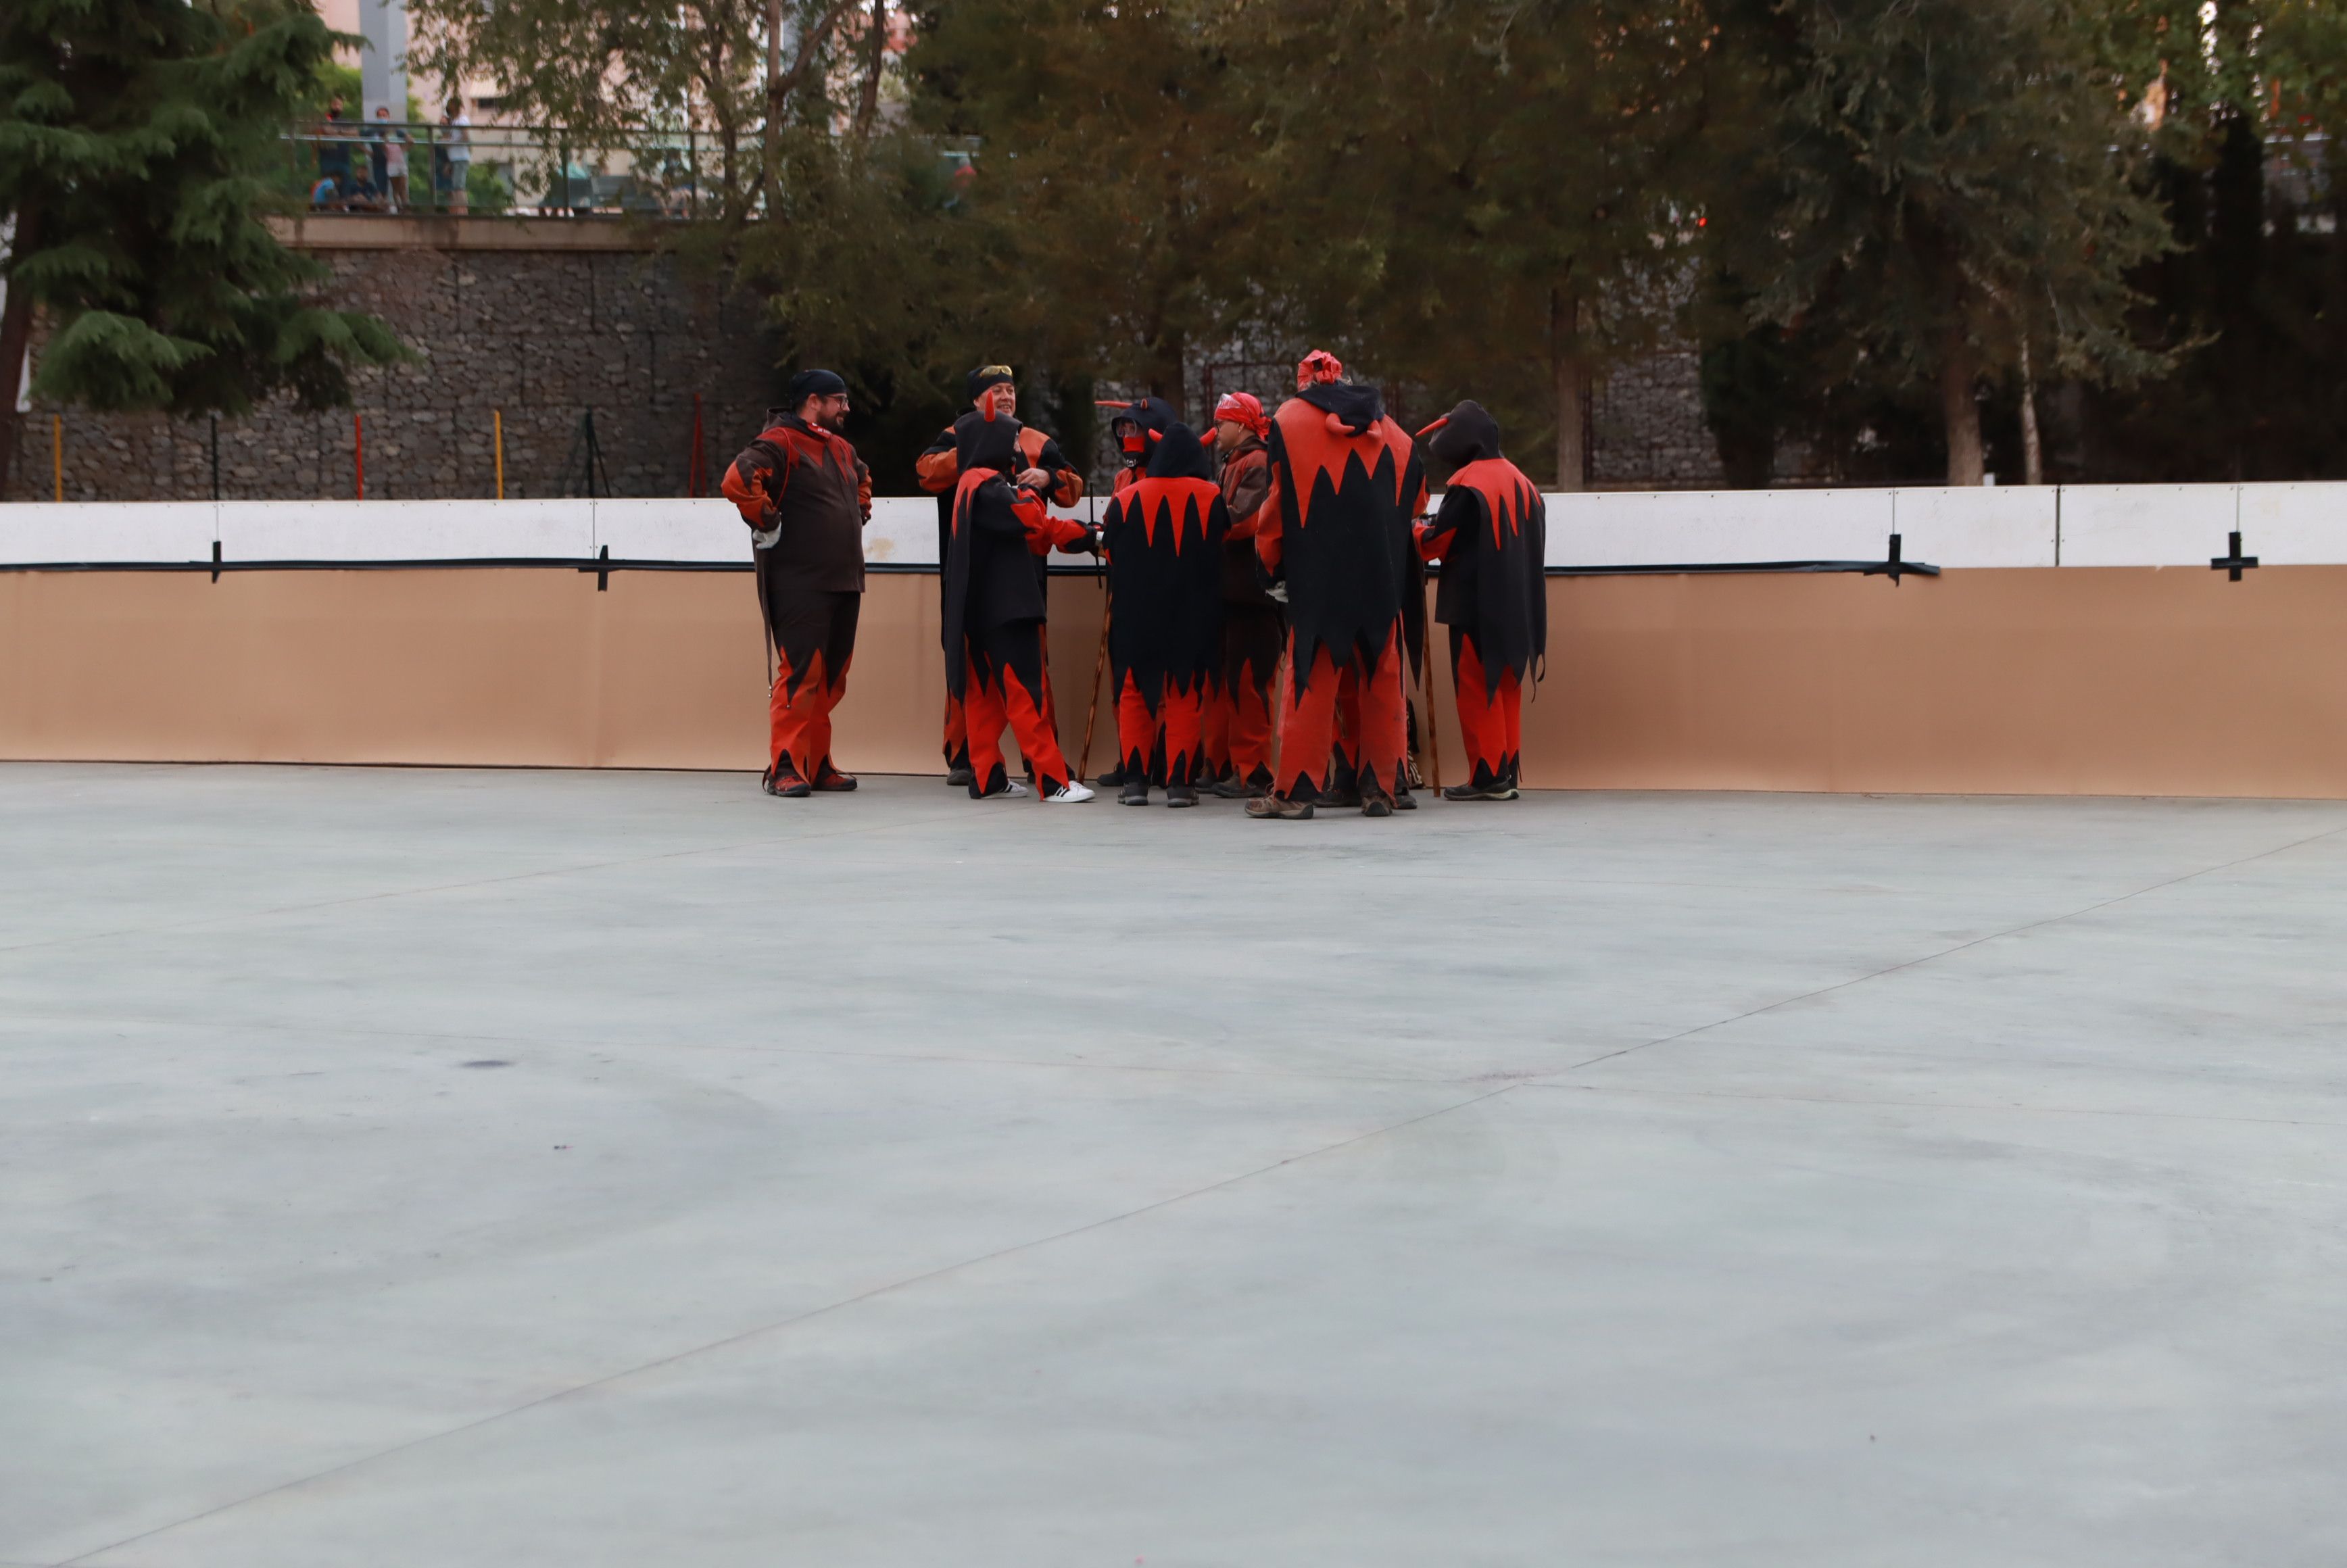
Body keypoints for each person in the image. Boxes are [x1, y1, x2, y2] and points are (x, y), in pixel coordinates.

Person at [1246, 350, 1426, 820]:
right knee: (1382, 676)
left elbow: (1277, 503)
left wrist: (1270, 566)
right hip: (1381, 576)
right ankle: (1380, 788)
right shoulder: (1395, 432)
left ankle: (1297, 791)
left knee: (1310, 678)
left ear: (1305, 383)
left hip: (1318, 574)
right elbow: (1417, 500)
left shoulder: (1288, 420)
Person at [915, 366, 1086, 785]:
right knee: (968, 669)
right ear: (977, 400)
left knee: (1031, 670)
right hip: (967, 574)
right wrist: (979, 446)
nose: (1006, 396)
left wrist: (1047, 476)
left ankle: (1040, 764)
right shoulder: (956, 435)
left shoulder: (1037, 440)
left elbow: (1073, 488)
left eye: (1011, 389)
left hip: (1026, 576)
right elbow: (925, 473)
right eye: (996, 391)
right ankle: (966, 759)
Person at [721, 370, 872, 798]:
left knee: (831, 678)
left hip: (844, 580)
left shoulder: (841, 447)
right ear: (813, 401)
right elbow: (738, 480)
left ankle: (817, 763)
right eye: (839, 401)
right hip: (798, 581)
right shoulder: (780, 441)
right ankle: (783, 767)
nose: (846, 408)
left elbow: (863, 476)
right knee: (800, 675)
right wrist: (768, 521)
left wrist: (859, 507)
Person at [941, 404, 1100, 802]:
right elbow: (1032, 518)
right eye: (1013, 438)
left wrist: (1084, 536)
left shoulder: (969, 484)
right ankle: (1053, 781)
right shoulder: (987, 483)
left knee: (985, 700)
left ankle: (987, 777)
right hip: (1008, 608)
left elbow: (1034, 534)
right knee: (1027, 695)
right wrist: (1089, 533)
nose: (1017, 446)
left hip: (976, 613)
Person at [1413, 401, 1547, 800]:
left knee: (1476, 686)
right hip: (1520, 607)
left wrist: (1416, 531)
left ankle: (1486, 777)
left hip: (1474, 603)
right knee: (1508, 686)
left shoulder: (1467, 484)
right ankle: (1505, 770)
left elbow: (1437, 543)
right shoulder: (1526, 484)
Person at [1098, 421, 1228, 806]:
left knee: (1135, 694)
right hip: (1193, 615)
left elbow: (1110, 550)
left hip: (1135, 616)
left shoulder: (1125, 497)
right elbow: (1222, 541)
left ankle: (1135, 783)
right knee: (1185, 697)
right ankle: (1180, 786)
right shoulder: (1212, 495)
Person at [1203, 391, 1281, 798]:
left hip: (1253, 593)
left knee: (1250, 685)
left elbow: (1247, 520)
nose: (1216, 430)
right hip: (1235, 593)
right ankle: (1234, 765)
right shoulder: (1238, 461)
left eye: (1223, 422)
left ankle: (1255, 772)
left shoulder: (1258, 461)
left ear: (1243, 425)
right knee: (1234, 683)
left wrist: (1203, 521)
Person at [374, 106, 409, 210]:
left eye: (384, 115)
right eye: (380, 116)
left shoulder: (396, 132)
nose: (382, 118)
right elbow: (382, 146)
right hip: (390, 163)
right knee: (395, 188)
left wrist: (403, 150)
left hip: (400, 162)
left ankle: (406, 208)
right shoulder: (378, 133)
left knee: (403, 187)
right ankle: (399, 208)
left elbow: (410, 140)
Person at [441, 101, 471, 214]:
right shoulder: (454, 122)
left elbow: (466, 138)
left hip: (460, 158)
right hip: (454, 158)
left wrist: (451, 142)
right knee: (456, 185)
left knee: (459, 186)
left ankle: (463, 211)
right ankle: (460, 210)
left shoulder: (462, 121)